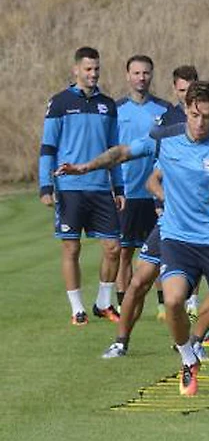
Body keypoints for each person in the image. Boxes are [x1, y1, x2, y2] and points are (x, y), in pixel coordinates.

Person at [56, 81, 209, 398]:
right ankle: (188, 358)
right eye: (195, 115)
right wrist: (85, 167)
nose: (201, 123)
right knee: (174, 301)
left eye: (207, 116)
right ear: (186, 110)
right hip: (177, 237)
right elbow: (122, 152)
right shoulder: (166, 138)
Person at [38, 46, 123, 325]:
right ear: (76, 70)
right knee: (71, 249)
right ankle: (77, 308)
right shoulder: (59, 103)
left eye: (96, 69)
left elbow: (115, 151)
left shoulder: (108, 105)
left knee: (113, 248)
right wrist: (45, 186)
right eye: (88, 69)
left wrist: (119, 187)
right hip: (69, 188)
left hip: (100, 187)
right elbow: (48, 147)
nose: (93, 74)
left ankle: (102, 303)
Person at [115, 55, 172, 311]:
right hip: (127, 192)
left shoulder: (165, 110)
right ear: (128, 75)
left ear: (152, 75)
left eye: (146, 73)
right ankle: (122, 303)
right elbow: (112, 151)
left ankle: (162, 306)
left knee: (160, 251)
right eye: (136, 73)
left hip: (156, 193)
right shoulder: (116, 110)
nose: (141, 78)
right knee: (124, 251)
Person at [157, 64, 201, 319]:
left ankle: (194, 300)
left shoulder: (206, 114)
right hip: (172, 200)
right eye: (181, 90)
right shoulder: (168, 119)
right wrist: (159, 198)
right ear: (174, 89)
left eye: (190, 89)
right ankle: (169, 301)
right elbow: (159, 161)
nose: (186, 95)